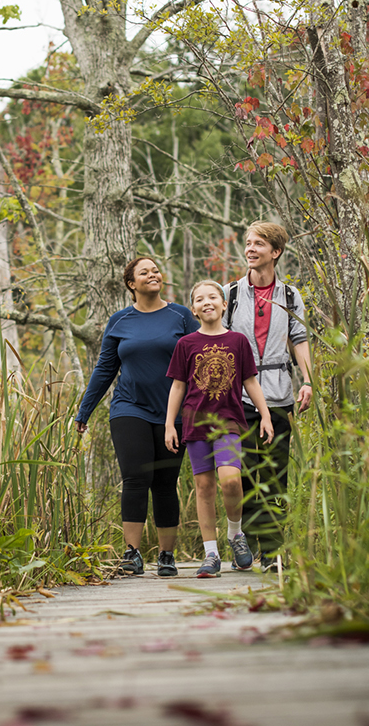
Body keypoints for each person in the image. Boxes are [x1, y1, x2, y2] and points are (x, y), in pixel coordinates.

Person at [75, 256, 198, 578]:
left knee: (165, 482)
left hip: (173, 413)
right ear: (131, 284)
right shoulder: (120, 321)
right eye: (145, 272)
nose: (153, 274)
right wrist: (84, 410)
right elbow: (104, 369)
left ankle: (166, 555)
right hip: (129, 407)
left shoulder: (181, 316)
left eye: (156, 270)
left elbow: (202, 355)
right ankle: (132, 553)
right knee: (134, 476)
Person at [164, 280, 273, 578]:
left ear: (225, 304)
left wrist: (265, 416)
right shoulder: (186, 344)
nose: (207, 302)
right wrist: (168, 425)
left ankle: (235, 534)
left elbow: (251, 381)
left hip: (228, 422)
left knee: (231, 482)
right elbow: (178, 386)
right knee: (204, 487)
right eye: (200, 299)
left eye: (213, 297)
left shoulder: (238, 341)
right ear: (194, 308)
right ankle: (210, 553)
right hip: (195, 423)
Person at [223, 221, 314, 573]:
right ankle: (249, 540)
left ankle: (273, 552)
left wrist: (307, 381)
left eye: (258, 244)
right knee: (245, 473)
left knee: (275, 475)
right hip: (238, 397)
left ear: (275, 252)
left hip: (278, 395)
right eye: (247, 243)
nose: (250, 249)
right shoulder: (230, 294)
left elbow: (300, 340)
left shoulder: (290, 296)